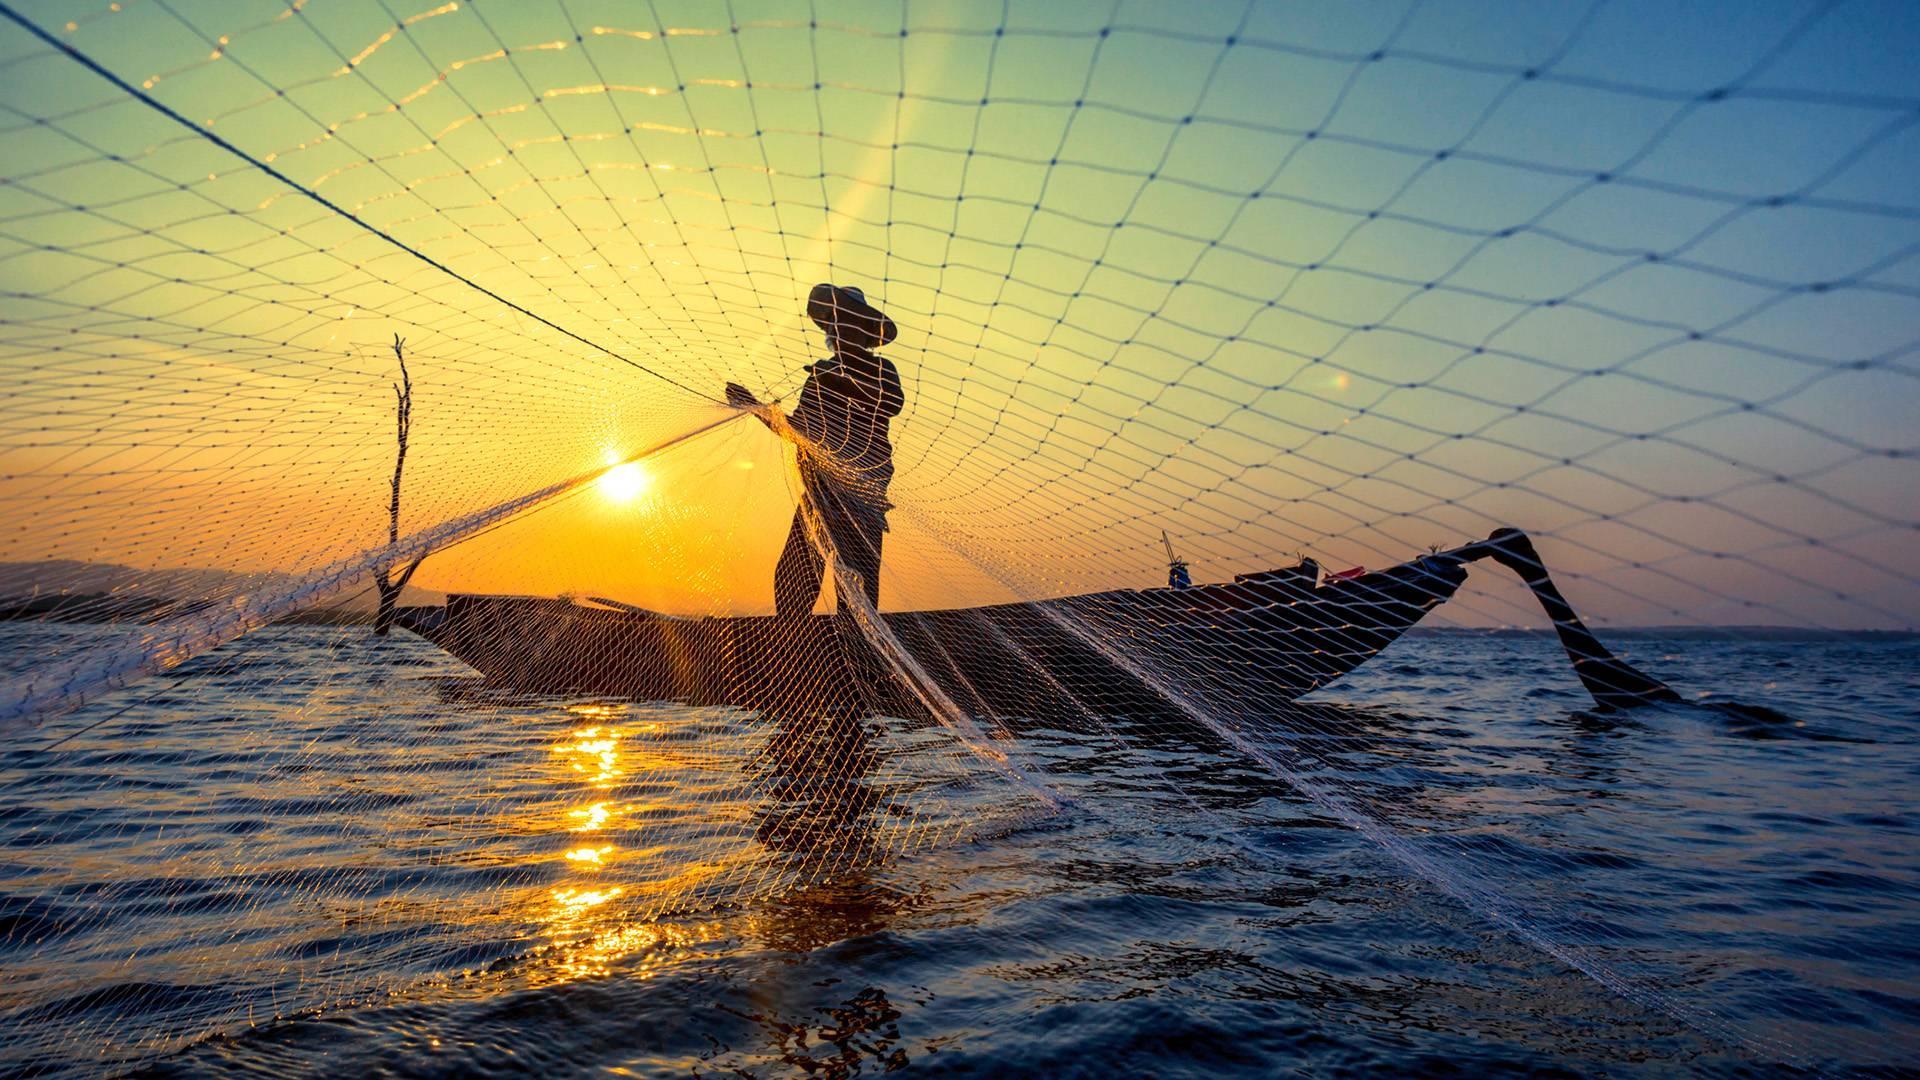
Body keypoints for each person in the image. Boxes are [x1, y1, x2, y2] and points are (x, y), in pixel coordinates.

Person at [727, 284, 904, 618]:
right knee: (793, 579)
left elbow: (891, 402)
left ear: (864, 332)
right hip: (819, 492)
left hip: (861, 500)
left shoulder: (882, 370)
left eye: (847, 324)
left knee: (857, 587)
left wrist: (836, 379)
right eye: (834, 325)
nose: (837, 331)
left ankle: (863, 663)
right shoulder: (819, 376)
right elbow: (798, 431)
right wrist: (755, 406)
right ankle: (790, 647)